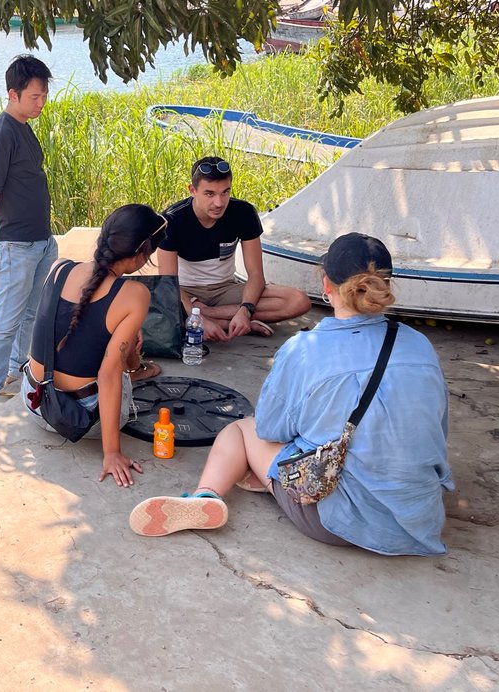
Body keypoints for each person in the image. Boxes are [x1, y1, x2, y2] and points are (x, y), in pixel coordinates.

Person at [129, 233, 454, 556]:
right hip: (419, 517)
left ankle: (206, 496)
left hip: (338, 520)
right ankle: (257, 475)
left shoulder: (305, 349)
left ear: (326, 285)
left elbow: (270, 429)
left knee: (241, 430)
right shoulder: (419, 346)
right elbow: (436, 431)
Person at [21, 204, 168, 487]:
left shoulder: (59, 267)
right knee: (118, 364)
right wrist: (112, 453)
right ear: (142, 254)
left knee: (113, 344)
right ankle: (137, 367)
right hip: (78, 418)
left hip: (34, 400)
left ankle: (132, 360)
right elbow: (108, 375)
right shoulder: (134, 294)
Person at [157, 155, 309, 342]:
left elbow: (255, 274)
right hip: (185, 292)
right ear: (192, 190)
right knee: (153, 308)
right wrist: (194, 311)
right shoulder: (172, 219)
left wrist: (246, 309)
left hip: (225, 290)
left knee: (298, 301)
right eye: (209, 194)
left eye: (225, 192)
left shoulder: (243, 213)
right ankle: (227, 323)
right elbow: (168, 283)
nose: (219, 203)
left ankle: (212, 316)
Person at [0, 55, 57, 398]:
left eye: (43, 96)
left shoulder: (24, 128)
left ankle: (14, 373)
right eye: (34, 97)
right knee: (6, 321)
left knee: (31, 315)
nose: (40, 103)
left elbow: (16, 185)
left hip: (40, 241)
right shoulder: (0, 136)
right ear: (13, 93)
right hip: (16, 245)